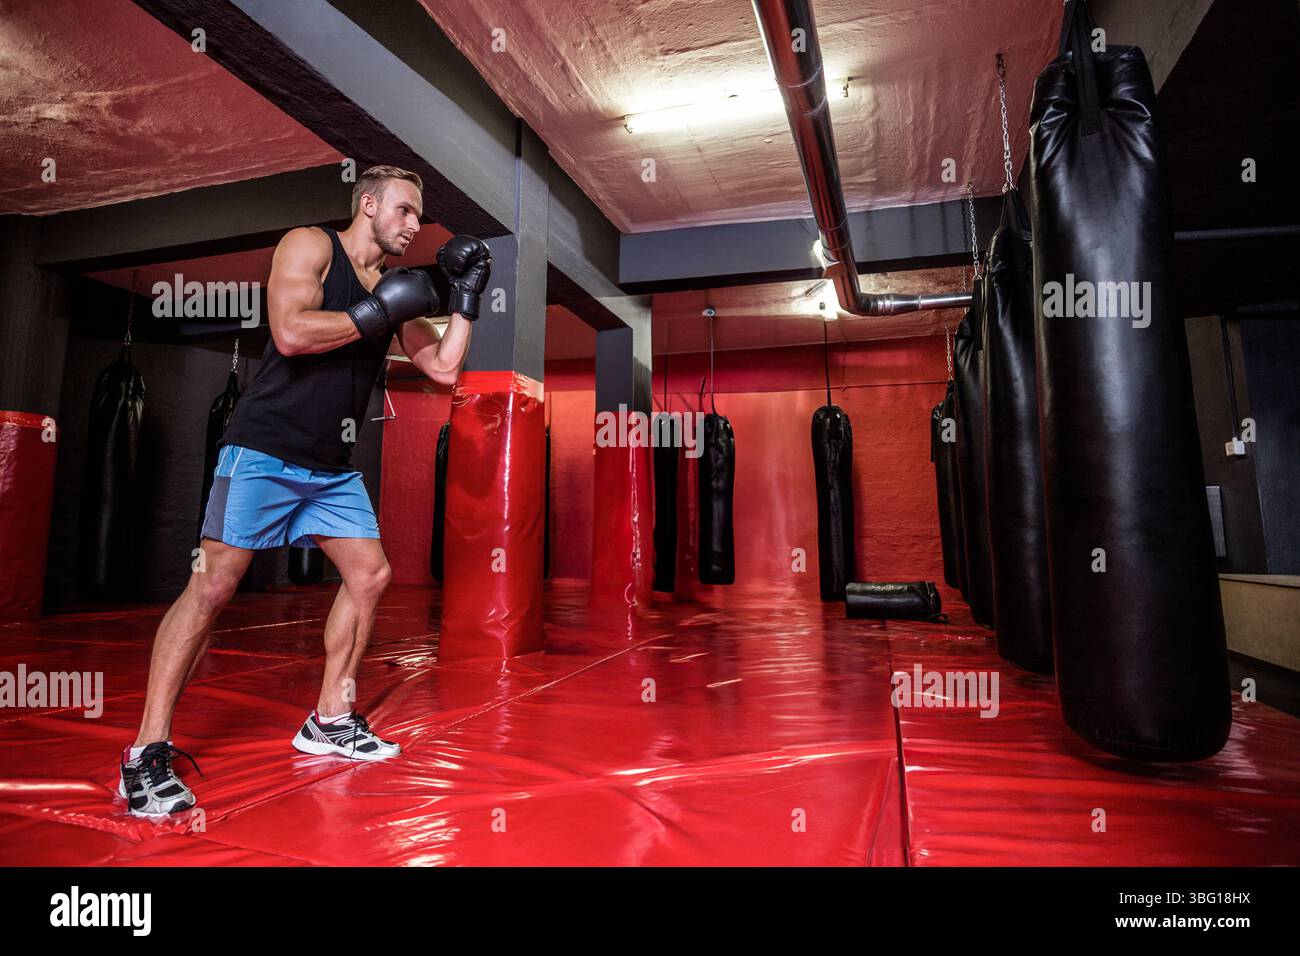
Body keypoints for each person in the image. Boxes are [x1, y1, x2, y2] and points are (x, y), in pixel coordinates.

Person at [117, 165, 491, 817]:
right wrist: (380, 310)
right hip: (263, 449)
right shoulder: (310, 244)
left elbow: (442, 367)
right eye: (404, 211)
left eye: (419, 217)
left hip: (331, 466)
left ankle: (328, 719)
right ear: (367, 204)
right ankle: (144, 754)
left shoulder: (395, 286)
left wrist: (465, 298)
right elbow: (290, 333)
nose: (414, 225)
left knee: (370, 576)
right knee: (211, 588)